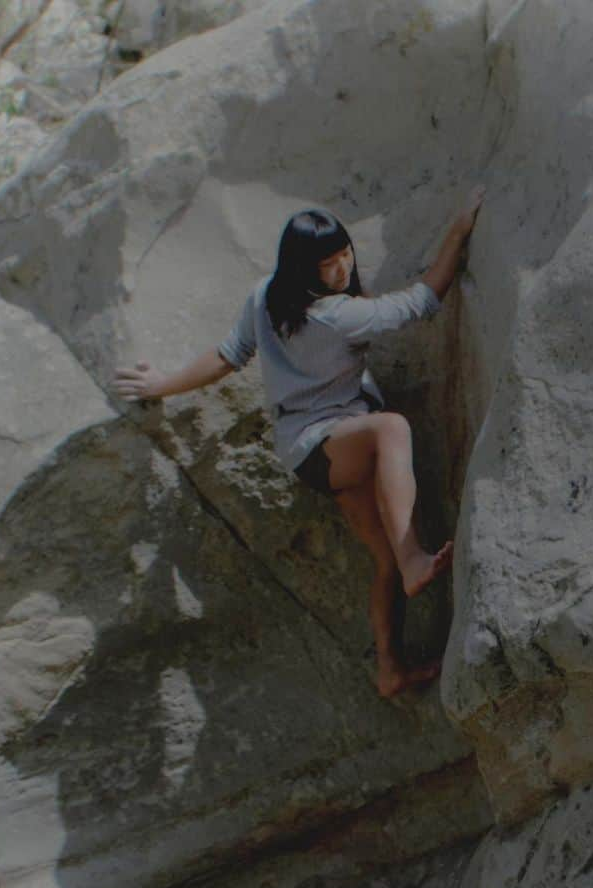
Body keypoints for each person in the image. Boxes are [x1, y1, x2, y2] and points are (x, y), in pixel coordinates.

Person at [112, 185, 485, 697]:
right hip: (327, 446)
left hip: (313, 452)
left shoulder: (267, 295)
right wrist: (458, 233)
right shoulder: (336, 314)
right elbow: (423, 300)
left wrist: (163, 382)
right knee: (392, 429)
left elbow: (226, 356)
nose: (341, 269)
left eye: (344, 256)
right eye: (328, 264)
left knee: (380, 563)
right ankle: (414, 558)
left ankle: (389, 669)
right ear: (304, 268)